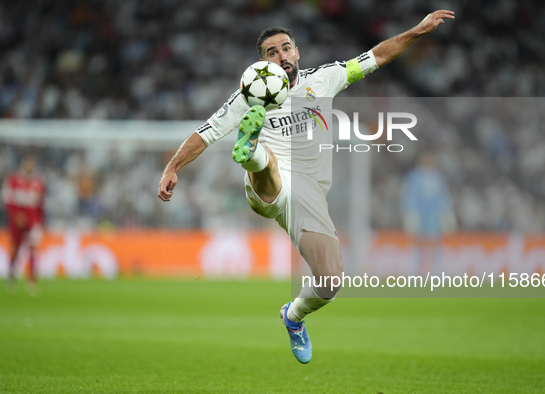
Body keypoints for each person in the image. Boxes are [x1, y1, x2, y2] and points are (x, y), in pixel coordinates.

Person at [158, 10, 454, 364]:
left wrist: (417, 31)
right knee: (266, 162)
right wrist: (172, 167)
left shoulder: (325, 78)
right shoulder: (248, 95)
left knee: (331, 282)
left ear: (297, 52)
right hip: (270, 185)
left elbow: (377, 56)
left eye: (286, 48)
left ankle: (293, 316)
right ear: (262, 63)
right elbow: (205, 133)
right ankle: (250, 152)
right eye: (272, 52)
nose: (281, 56)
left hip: (309, 195)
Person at [400, 151, 456, 275]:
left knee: (436, 242)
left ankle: (437, 271)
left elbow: (443, 197)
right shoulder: (414, 177)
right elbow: (409, 196)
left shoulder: (437, 177)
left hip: (434, 215)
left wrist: (446, 213)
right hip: (419, 215)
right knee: (418, 243)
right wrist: (410, 213)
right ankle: (416, 271)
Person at [2, 155, 45, 293]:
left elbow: (41, 205)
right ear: (23, 165)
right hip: (17, 221)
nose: (29, 167)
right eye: (27, 164)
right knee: (16, 249)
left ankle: (32, 279)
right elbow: (8, 201)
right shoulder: (13, 181)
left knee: (33, 249)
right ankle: (11, 275)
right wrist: (16, 216)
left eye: (31, 164)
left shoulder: (38, 183)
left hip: (33, 221)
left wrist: (40, 222)